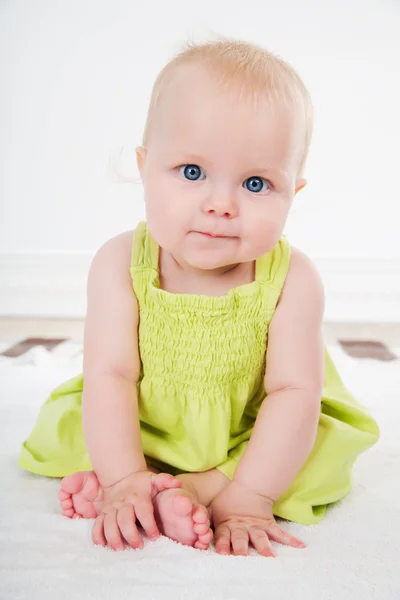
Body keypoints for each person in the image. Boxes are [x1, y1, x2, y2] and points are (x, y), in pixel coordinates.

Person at [19, 39, 380, 557]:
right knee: (82, 426)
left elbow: (292, 395)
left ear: (292, 194)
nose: (221, 205)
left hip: (251, 432)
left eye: (256, 183)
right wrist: (121, 474)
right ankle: (133, 485)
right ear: (145, 167)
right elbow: (111, 376)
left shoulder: (293, 279)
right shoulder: (119, 262)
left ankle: (201, 490)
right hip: (140, 420)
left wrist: (251, 498)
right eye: (192, 173)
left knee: (316, 454)